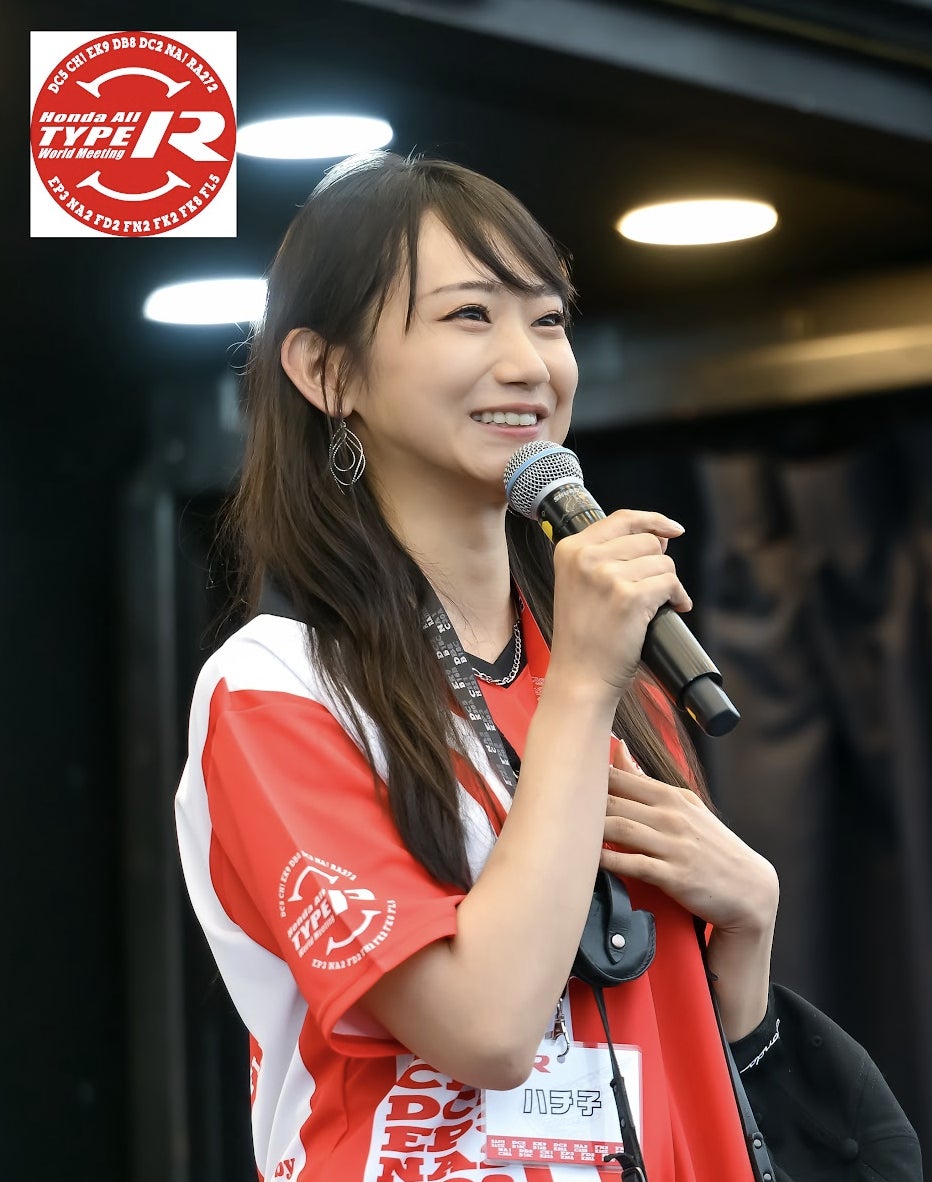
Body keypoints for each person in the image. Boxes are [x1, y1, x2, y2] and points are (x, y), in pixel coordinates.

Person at [175, 151, 920, 1182]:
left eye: (549, 319)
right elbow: (484, 1028)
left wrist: (746, 928)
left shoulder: (616, 683)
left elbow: (677, 1061)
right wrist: (580, 688)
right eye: (469, 316)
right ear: (326, 371)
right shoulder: (277, 688)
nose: (529, 363)